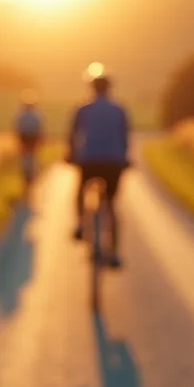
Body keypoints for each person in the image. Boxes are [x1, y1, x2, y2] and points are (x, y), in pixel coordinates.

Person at [67, 71, 131, 267]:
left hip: (89, 159)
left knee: (80, 190)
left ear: (92, 89)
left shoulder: (83, 109)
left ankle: (79, 224)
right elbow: (125, 137)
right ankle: (114, 253)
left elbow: (73, 134)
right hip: (114, 161)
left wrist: (71, 154)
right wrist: (125, 158)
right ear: (109, 89)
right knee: (111, 205)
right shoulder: (119, 109)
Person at [14, 90, 44, 189]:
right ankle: (31, 175)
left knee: (26, 157)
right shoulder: (36, 115)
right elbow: (39, 127)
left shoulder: (21, 115)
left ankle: (27, 176)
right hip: (32, 138)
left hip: (25, 138)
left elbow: (18, 128)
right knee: (32, 156)